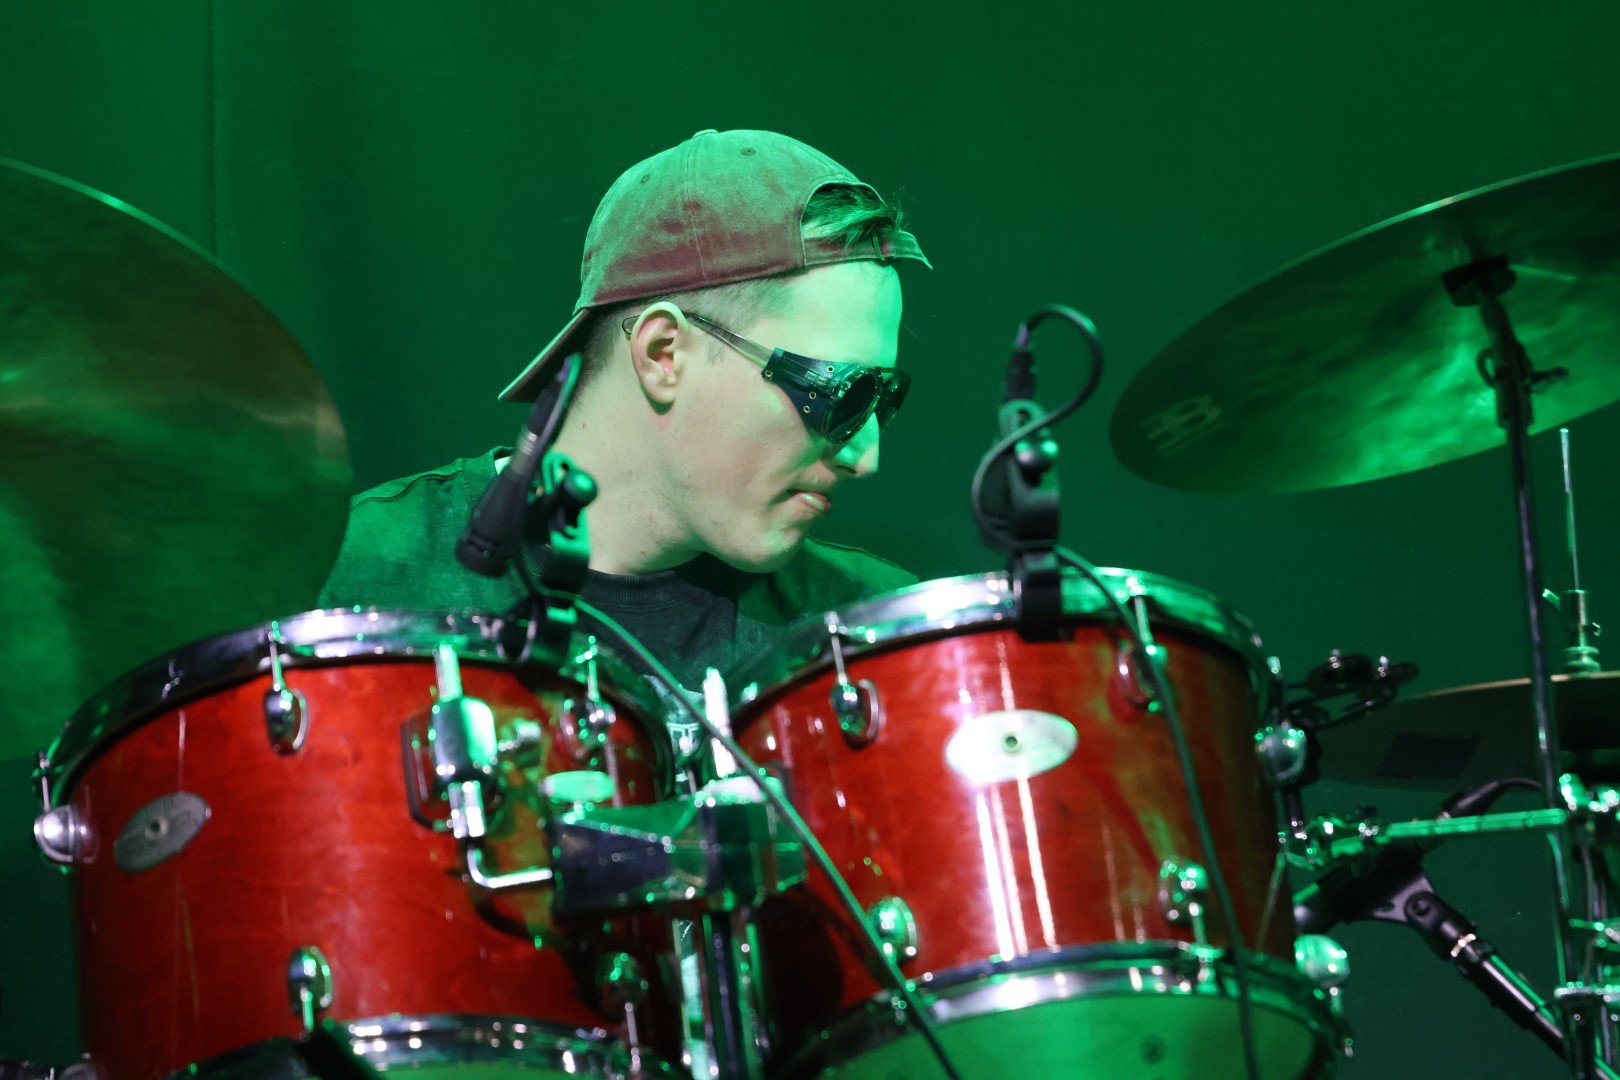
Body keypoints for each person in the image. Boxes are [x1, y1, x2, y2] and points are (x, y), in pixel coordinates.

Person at [317, 129, 930, 695]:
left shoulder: (879, 641)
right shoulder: (345, 585)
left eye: (885, 399)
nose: (866, 457)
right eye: (840, 394)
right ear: (663, 353)